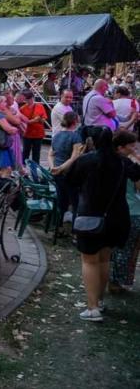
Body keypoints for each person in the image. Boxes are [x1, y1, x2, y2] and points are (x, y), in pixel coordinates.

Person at [68, 127, 140, 321]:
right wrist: (134, 154)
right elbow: (138, 173)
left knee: (89, 261)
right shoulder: (122, 162)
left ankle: (92, 308)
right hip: (117, 218)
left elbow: (69, 181)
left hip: (90, 217)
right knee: (104, 259)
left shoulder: (87, 160)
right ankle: (98, 301)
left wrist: (75, 156)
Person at [109, 129, 140, 292]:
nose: (134, 149)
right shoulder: (128, 166)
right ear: (121, 147)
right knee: (127, 249)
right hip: (132, 210)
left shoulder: (110, 162)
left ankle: (114, 280)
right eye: (132, 146)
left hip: (115, 210)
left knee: (118, 248)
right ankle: (118, 281)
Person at [48, 111, 85, 222]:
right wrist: (60, 168)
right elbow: (74, 157)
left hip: (57, 173)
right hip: (69, 173)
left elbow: (50, 154)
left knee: (61, 200)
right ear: (75, 122)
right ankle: (74, 230)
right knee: (75, 202)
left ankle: (58, 227)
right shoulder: (76, 137)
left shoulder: (57, 135)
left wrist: (53, 167)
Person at [0, 95, 19, 177]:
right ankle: (4, 188)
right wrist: (15, 129)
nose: (6, 104)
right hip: (0, 145)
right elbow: (9, 129)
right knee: (6, 169)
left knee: (0, 169)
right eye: (4, 102)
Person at [19, 90, 47, 164]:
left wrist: (39, 119)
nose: (29, 101)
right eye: (27, 99)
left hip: (38, 134)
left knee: (36, 153)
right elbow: (21, 122)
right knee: (25, 152)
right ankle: (24, 169)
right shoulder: (22, 109)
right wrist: (32, 121)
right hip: (27, 133)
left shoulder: (40, 106)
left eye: (30, 98)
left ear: (33, 97)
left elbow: (43, 120)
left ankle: (35, 171)